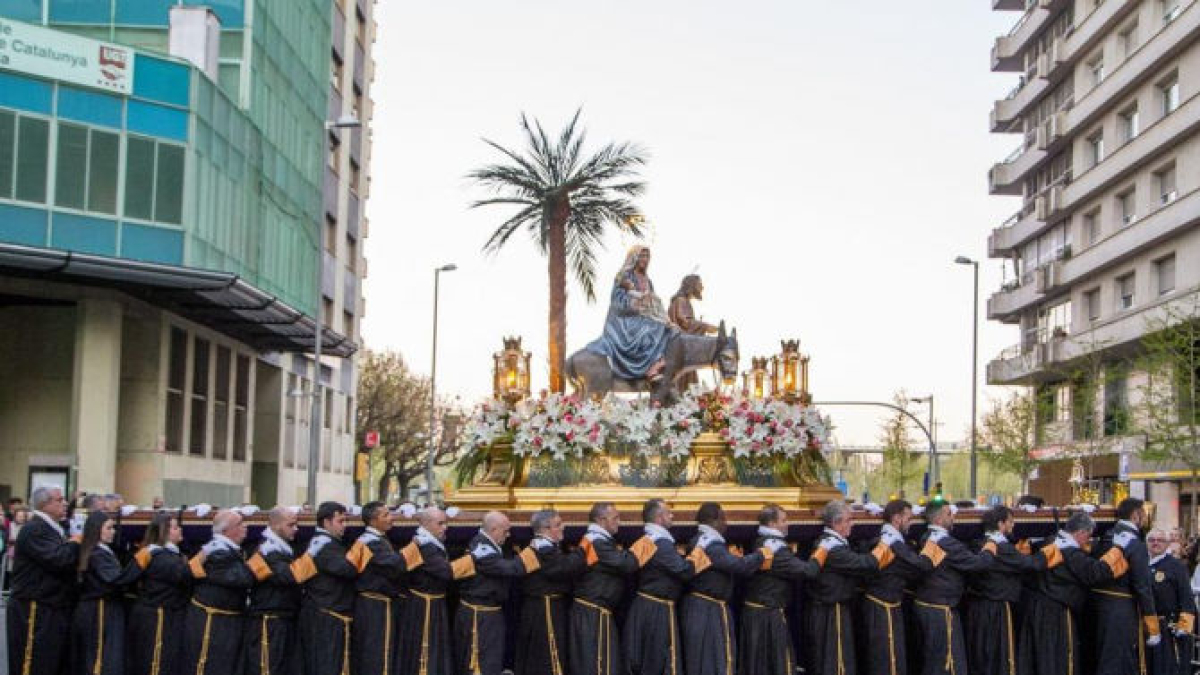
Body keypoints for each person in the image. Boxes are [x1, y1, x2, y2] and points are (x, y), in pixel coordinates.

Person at [1017, 512, 1128, 675]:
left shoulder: (1049, 543)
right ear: (1080, 533)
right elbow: (1096, 572)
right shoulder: (1071, 553)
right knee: (1061, 657)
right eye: (1088, 536)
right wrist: (1118, 549)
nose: (1088, 541)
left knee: (1040, 657)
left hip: (1036, 610)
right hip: (1056, 614)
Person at [804, 499, 893, 675]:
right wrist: (886, 544)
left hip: (834, 609)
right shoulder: (833, 548)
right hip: (831, 612)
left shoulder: (833, 543)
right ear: (837, 524)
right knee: (836, 660)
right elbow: (866, 563)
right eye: (848, 520)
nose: (852, 524)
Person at [681, 502, 768, 675]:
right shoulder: (709, 544)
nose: (726, 523)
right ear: (715, 520)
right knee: (711, 659)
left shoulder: (702, 541)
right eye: (724, 518)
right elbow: (738, 565)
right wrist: (762, 554)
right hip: (707, 611)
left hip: (705, 608)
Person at [623, 498, 706, 675]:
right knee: (659, 659)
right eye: (669, 512)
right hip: (656, 610)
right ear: (659, 518)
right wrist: (700, 550)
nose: (672, 515)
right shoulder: (661, 543)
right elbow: (684, 571)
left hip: (646, 607)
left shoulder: (646, 540)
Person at [913, 498, 994, 675]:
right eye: (950, 514)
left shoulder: (926, 537)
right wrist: (991, 545)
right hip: (941, 609)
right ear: (939, 519)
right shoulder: (945, 542)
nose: (954, 518)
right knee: (949, 662)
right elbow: (977, 563)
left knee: (933, 660)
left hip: (927, 605)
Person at [964, 505, 1049, 675]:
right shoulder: (1002, 547)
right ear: (1000, 524)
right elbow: (1031, 564)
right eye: (1010, 522)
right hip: (996, 610)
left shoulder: (977, 543)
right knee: (1000, 656)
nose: (1013, 526)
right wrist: (1054, 548)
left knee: (980, 655)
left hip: (976, 609)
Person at [452, 510, 537, 675]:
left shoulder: (490, 545)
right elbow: (510, 569)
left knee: (492, 659)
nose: (508, 534)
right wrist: (532, 551)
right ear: (494, 529)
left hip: (489, 613)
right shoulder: (482, 548)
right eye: (505, 531)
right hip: (480, 615)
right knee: (481, 661)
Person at [7, 485, 80, 675]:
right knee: (32, 663)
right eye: (59, 499)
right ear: (44, 504)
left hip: (51, 607)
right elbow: (58, 559)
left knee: (49, 662)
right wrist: (75, 542)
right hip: (33, 609)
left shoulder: (52, 528)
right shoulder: (35, 528)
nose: (65, 503)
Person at [739, 504, 819, 675]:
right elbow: (807, 571)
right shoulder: (776, 550)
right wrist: (822, 552)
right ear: (772, 524)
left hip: (757, 614)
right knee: (774, 663)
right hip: (766, 617)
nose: (787, 524)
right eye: (783, 520)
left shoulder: (759, 542)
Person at [69, 510, 151, 675]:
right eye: (109, 528)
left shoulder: (101, 551)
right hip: (99, 611)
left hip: (103, 609)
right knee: (101, 657)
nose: (113, 531)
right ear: (97, 529)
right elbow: (116, 579)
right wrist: (142, 558)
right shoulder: (97, 554)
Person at [858, 499, 932, 675]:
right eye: (908, 518)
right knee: (887, 659)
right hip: (883, 608)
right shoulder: (892, 542)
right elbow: (921, 565)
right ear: (897, 518)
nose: (910, 522)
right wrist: (935, 544)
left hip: (885, 605)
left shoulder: (888, 539)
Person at [583, 246, 678, 383]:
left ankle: (658, 364)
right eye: (641, 256)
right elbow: (616, 301)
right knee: (654, 328)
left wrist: (664, 317)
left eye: (647, 256)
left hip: (646, 316)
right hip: (622, 320)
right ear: (634, 258)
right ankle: (649, 370)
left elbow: (654, 303)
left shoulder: (647, 280)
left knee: (670, 329)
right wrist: (636, 303)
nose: (645, 260)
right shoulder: (624, 276)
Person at [1089, 497, 1159, 675]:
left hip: (1096, 605)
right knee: (1119, 660)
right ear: (1136, 514)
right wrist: (1152, 624)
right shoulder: (1135, 544)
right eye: (1144, 513)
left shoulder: (1103, 537)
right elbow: (1142, 586)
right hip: (1122, 608)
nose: (1145, 517)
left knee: (1100, 657)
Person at [569, 501, 640, 675]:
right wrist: (648, 543)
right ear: (601, 520)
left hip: (595, 612)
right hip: (593, 614)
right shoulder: (597, 542)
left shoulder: (597, 540)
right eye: (615, 518)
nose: (619, 522)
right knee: (599, 664)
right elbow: (627, 564)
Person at [513, 508, 587, 675]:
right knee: (548, 654)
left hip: (544, 608)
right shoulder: (543, 549)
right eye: (558, 525)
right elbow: (563, 568)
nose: (563, 527)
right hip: (544, 611)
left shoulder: (543, 547)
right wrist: (584, 549)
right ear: (546, 529)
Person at [349, 501, 418, 675]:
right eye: (386, 515)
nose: (391, 518)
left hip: (379, 605)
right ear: (372, 521)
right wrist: (415, 546)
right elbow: (394, 565)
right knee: (377, 652)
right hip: (375, 606)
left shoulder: (380, 539)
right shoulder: (370, 543)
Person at [182, 509, 254, 675]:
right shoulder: (217, 553)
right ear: (226, 531)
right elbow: (242, 578)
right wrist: (261, 559)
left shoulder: (227, 550)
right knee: (209, 665)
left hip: (226, 621)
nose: (246, 527)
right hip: (212, 622)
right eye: (240, 524)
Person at [128, 511, 195, 675]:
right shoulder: (159, 556)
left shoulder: (171, 554)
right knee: (156, 662)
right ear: (163, 532)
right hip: (157, 617)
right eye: (174, 527)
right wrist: (204, 556)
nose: (179, 530)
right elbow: (183, 575)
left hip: (168, 616)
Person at [299, 501, 358, 675]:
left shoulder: (332, 543)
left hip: (331, 615)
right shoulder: (324, 545)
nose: (344, 526)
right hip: (325, 617)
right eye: (340, 521)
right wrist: (364, 547)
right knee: (327, 665)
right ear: (326, 522)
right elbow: (348, 569)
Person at [244, 506, 304, 675]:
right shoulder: (266, 550)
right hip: (269, 621)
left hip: (284, 619)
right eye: (291, 525)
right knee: (268, 668)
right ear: (277, 525)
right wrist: (312, 556)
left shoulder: (282, 549)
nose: (296, 529)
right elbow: (288, 576)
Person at [398, 506, 454, 675]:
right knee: (425, 649)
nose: (445, 527)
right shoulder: (425, 546)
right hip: (424, 607)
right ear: (427, 524)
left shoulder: (431, 543)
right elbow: (446, 572)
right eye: (441, 523)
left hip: (432, 604)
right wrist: (474, 560)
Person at [1147, 527, 1195, 675]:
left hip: (1169, 629)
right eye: (1151, 540)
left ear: (1168, 543)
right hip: (1148, 628)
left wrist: (1184, 627)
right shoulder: (1142, 565)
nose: (1155, 543)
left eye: (1160, 540)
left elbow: (1187, 598)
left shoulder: (1176, 566)